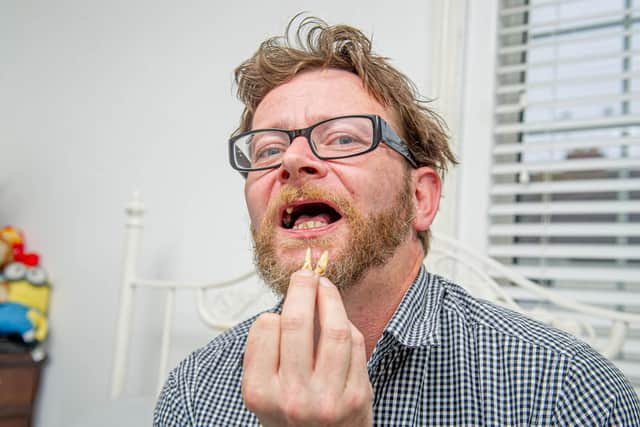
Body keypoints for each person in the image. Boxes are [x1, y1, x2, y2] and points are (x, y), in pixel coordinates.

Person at [154, 16, 640, 426]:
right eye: (268, 149)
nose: (294, 160)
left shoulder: (562, 391)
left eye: (343, 138)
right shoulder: (195, 393)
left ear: (421, 198)